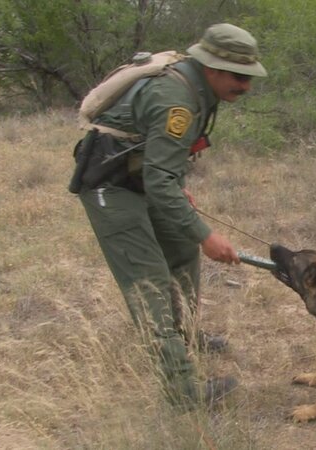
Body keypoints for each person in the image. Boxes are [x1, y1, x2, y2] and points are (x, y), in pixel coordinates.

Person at [72, 23, 267, 407]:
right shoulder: (175, 96)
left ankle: (186, 333)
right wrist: (207, 235)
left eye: (249, 77)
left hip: (140, 176)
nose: (246, 87)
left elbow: (163, 162)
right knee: (149, 281)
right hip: (109, 183)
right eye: (239, 77)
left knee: (180, 248)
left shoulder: (199, 86)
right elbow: (158, 178)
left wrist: (176, 186)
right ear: (211, 66)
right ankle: (182, 391)